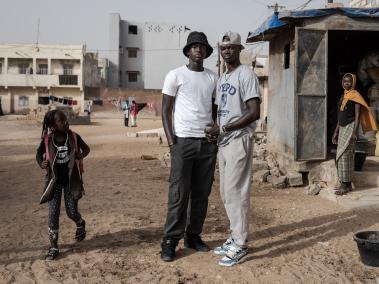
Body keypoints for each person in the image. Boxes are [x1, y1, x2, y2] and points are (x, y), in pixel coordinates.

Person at [160, 31, 218, 262]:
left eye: (202, 46)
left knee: (202, 193)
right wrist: (172, 141)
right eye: (194, 45)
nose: (198, 49)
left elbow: (215, 110)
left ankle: (193, 236)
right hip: (182, 141)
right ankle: (170, 241)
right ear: (188, 50)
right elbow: (166, 109)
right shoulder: (175, 75)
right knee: (179, 194)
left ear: (206, 51)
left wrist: (215, 130)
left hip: (206, 143)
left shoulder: (213, 77)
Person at [205, 31, 261, 267]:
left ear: (240, 50)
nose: (227, 51)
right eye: (224, 47)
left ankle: (240, 245)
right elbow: (221, 109)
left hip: (239, 139)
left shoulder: (246, 75)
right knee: (227, 193)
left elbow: (254, 112)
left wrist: (224, 128)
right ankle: (234, 236)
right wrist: (215, 129)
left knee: (237, 192)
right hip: (225, 141)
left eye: (232, 47)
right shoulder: (223, 78)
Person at [36, 109, 90, 260]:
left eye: (66, 119)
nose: (66, 122)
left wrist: (81, 155)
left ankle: (80, 223)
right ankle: (53, 247)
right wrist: (42, 163)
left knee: (71, 212)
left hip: (71, 182)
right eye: (61, 120)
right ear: (53, 125)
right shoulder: (47, 139)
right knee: (53, 214)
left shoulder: (73, 137)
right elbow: (38, 154)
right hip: (54, 183)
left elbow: (86, 149)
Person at [332, 73, 377, 195]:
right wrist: (335, 132)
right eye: (345, 81)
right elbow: (340, 116)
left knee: (346, 155)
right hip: (342, 128)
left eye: (349, 82)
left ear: (353, 83)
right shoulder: (343, 96)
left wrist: (355, 132)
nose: (347, 83)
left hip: (350, 127)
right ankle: (344, 183)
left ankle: (346, 185)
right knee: (340, 156)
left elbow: (357, 116)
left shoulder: (355, 96)